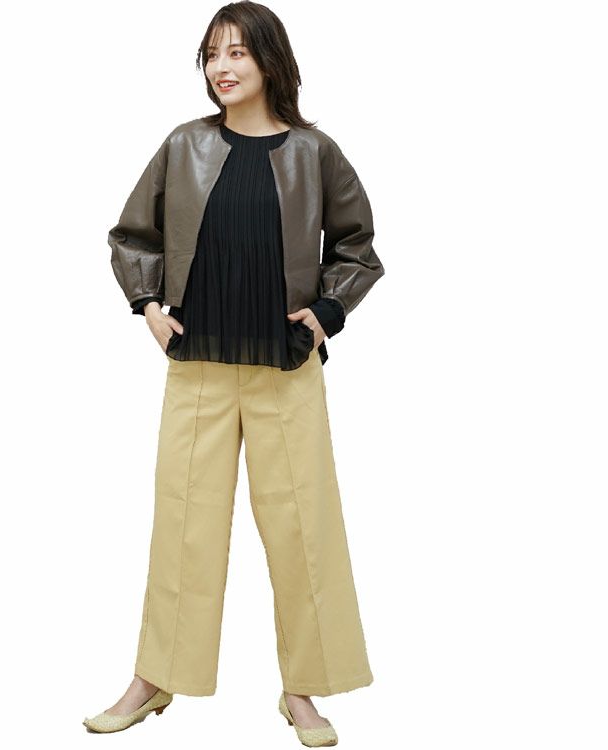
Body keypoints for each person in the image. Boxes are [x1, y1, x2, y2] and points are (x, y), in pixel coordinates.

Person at [83, 2, 385, 745]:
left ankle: (303, 690)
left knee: (303, 529)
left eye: (237, 52)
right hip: (199, 368)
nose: (222, 67)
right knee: (183, 527)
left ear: (270, 60)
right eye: (212, 54)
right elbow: (131, 235)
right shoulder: (183, 144)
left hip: (286, 365)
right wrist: (148, 306)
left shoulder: (315, 152)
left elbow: (358, 248)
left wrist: (327, 312)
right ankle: (155, 678)